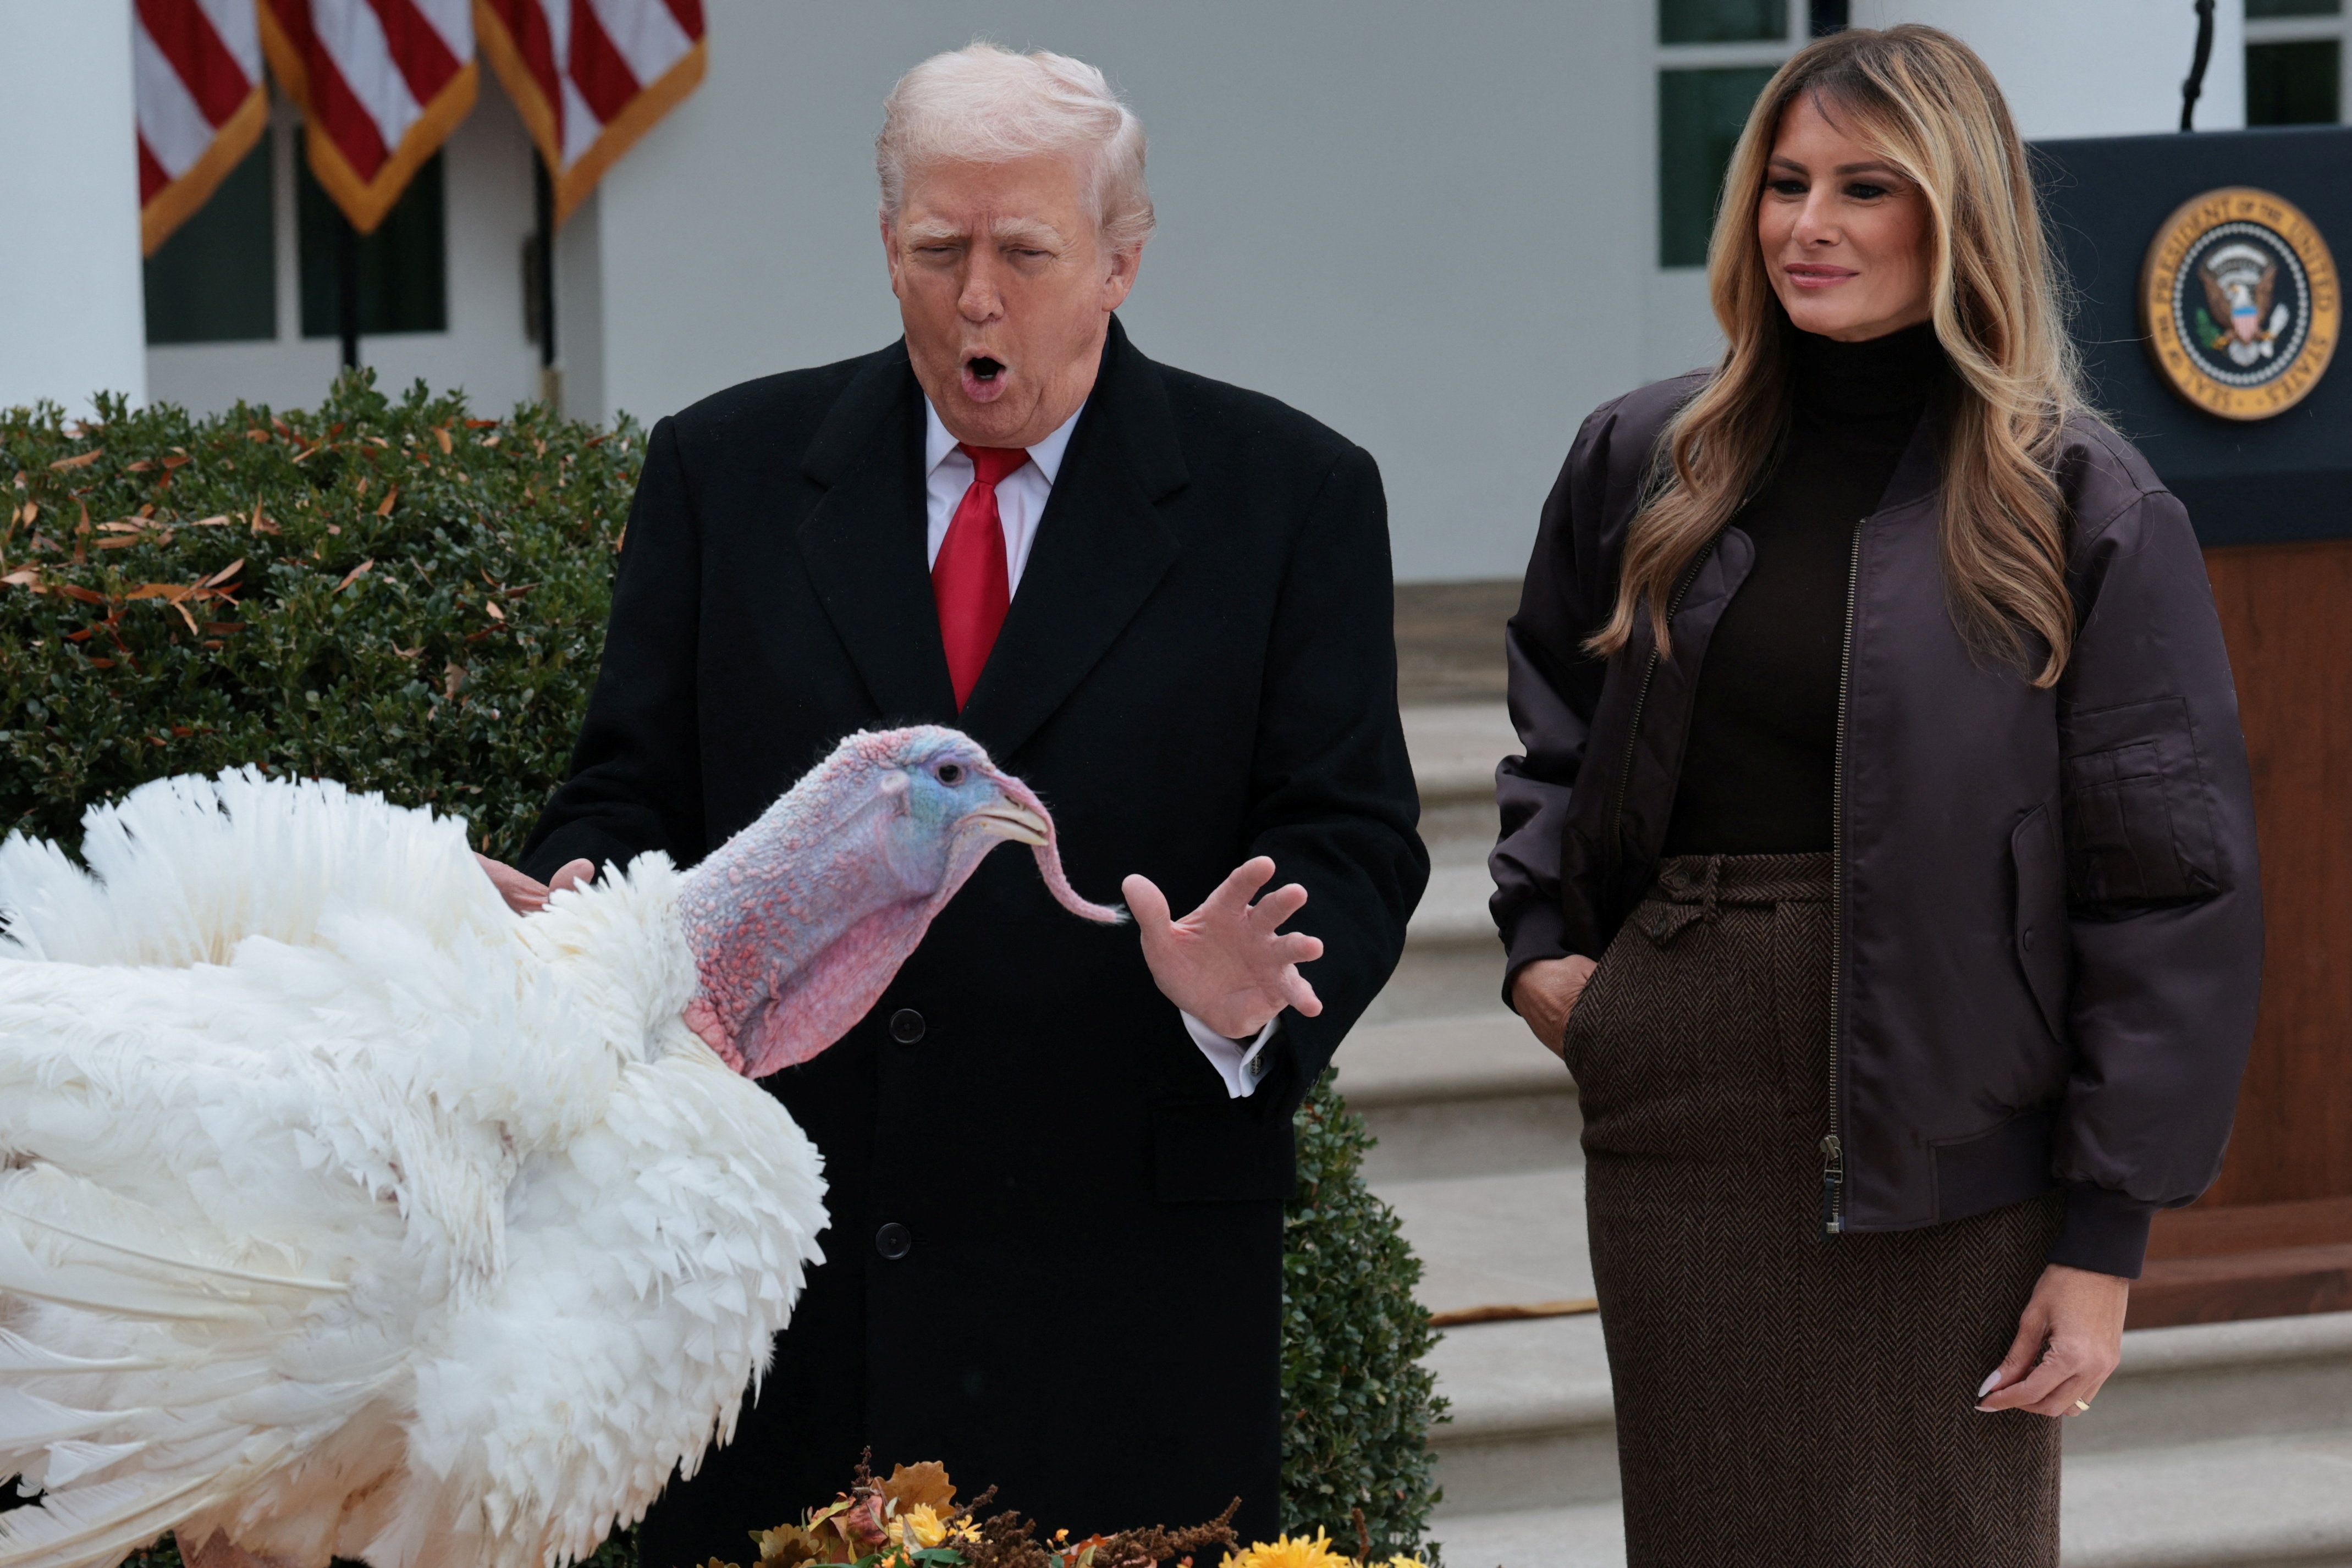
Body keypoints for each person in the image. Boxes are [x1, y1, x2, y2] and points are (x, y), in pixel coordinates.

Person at [477, 42, 1425, 1560]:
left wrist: (1250, 991)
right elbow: (629, 788)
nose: (976, 296)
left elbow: (1354, 830)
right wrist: (578, 900)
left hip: (1118, 1311)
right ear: (888, 242)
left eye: (1025, 253)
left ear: (1121, 258)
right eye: (939, 249)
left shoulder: (1291, 495)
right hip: (768, 1303)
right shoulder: (726, 472)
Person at [1490, 25, 2261, 1567]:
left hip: (1955, 1126)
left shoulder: (2076, 501)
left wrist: (2105, 1236)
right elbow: (1553, 730)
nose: (1807, 224)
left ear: (1959, 212)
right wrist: (1547, 961)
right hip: (1687, 1099)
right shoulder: (1648, 456)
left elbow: (2169, 886)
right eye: (1783, 183)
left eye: (1864, 187)